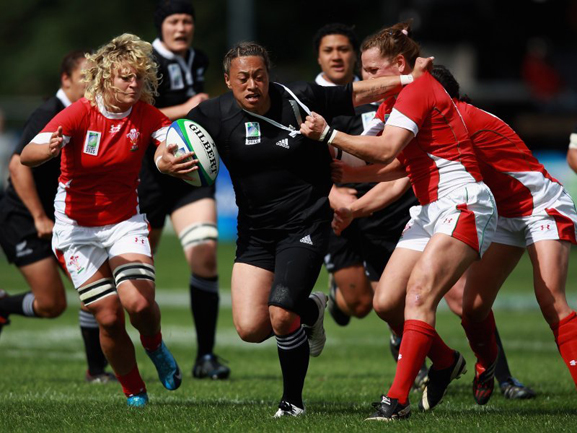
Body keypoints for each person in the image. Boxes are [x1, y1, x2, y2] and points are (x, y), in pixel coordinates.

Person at [156, 41, 433, 417]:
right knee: (250, 328)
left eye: (259, 76)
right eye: (243, 78)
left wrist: (407, 79)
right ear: (228, 80)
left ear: (268, 76)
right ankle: (310, 311)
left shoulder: (298, 97)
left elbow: (355, 93)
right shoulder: (214, 114)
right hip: (255, 232)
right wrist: (163, 162)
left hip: (306, 223)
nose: (252, 85)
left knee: (281, 314)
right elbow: (167, 138)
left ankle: (292, 403)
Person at [301, 22, 497, 421]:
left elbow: (385, 148)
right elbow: (381, 160)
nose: (367, 79)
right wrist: (328, 163)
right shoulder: (390, 103)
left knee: (420, 295)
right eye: (365, 71)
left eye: (374, 71)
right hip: (429, 209)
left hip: (463, 202)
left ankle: (396, 400)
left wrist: (328, 135)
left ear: (401, 65)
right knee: (386, 301)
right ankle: (445, 361)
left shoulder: (418, 90)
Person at [20, 34, 182, 407]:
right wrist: (48, 149)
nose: (133, 84)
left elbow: (166, 145)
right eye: (126, 77)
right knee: (108, 316)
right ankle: (134, 391)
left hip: (124, 223)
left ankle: (154, 344)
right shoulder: (80, 112)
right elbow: (28, 153)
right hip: (76, 230)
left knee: (139, 305)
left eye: (139, 77)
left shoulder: (144, 114)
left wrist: (167, 161)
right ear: (106, 77)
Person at [430, 65, 577, 404]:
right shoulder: (443, 123)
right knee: (473, 309)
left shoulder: (458, 121)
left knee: (551, 300)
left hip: (541, 206)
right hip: (503, 214)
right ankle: (487, 363)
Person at [312, 23, 427, 389]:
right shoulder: (310, 100)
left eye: (344, 49)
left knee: (401, 297)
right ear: (318, 57)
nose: (337, 56)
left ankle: (491, 373)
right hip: (343, 207)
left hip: (392, 206)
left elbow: (394, 158)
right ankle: (339, 296)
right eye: (328, 50)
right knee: (360, 303)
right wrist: (334, 191)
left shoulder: (390, 93)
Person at [0, 50, 116, 383]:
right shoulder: (48, 113)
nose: (92, 84)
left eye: (96, 77)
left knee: (99, 290)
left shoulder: (91, 113)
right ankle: (2, 306)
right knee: (51, 304)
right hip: (23, 219)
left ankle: (96, 371)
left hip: (62, 219)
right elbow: (17, 166)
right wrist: (38, 216)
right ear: (65, 80)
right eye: (85, 77)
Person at [138, 0, 229, 380]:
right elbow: (138, 113)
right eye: (174, 21)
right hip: (149, 175)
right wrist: (188, 108)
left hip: (190, 176)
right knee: (134, 272)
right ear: (161, 26)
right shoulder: (145, 62)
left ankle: (206, 357)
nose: (181, 28)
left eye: (187, 21)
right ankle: (100, 362)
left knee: (205, 256)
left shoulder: (199, 59)